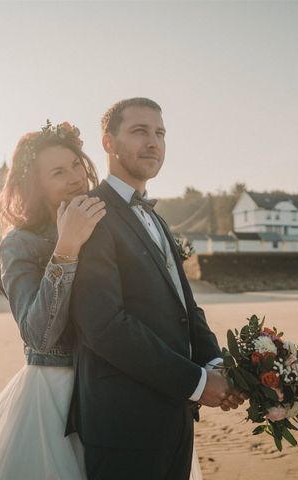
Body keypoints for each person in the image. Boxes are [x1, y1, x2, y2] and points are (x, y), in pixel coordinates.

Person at [67, 98, 248, 479]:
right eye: (139, 131)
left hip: (175, 417)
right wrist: (198, 383)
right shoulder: (90, 212)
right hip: (124, 424)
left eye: (160, 133)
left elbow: (186, 307)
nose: (153, 143)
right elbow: (104, 325)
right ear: (108, 143)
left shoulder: (158, 221)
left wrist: (216, 365)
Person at [0, 121, 105, 479]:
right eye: (58, 172)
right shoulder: (19, 244)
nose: (76, 177)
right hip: (54, 397)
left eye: (76, 164)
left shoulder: (106, 221)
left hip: (110, 386)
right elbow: (38, 335)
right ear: (36, 184)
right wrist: (67, 248)